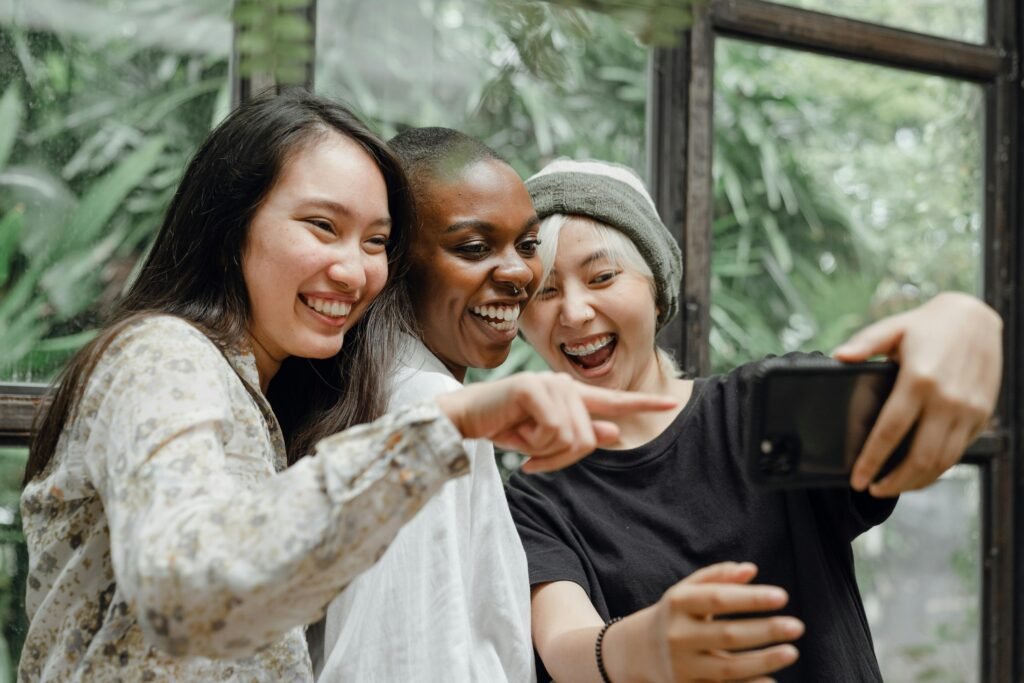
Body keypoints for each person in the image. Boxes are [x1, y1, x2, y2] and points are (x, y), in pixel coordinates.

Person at [18, 98, 674, 683]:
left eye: (376, 241)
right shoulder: (165, 357)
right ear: (231, 224)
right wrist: (443, 429)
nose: (355, 268)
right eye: (323, 227)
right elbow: (181, 592)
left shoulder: (271, 396)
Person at [505, 158, 1003, 683]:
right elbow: (564, 646)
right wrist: (642, 646)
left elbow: (916, 406)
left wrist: (963, 319)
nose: (576, 312)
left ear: (657, 289)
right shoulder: (537, 496)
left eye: (603, 276)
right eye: (545, 292)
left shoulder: (765, 408)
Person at [318, 127, 542, 682]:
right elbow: (401, 660)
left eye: (529, 245)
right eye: (473, 247)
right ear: (395, 262)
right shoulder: (427, 408)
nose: (517, 273)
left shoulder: (391, 390)